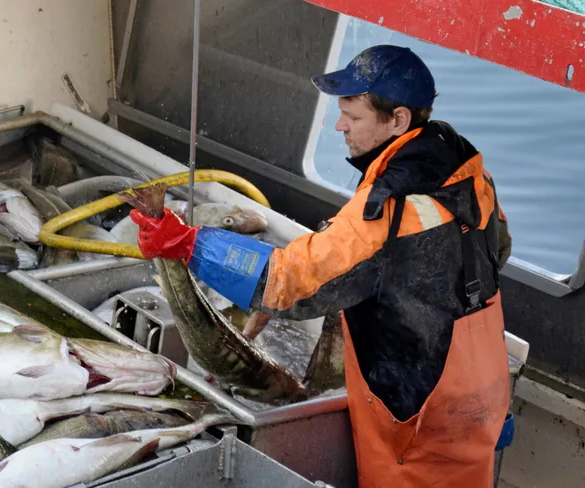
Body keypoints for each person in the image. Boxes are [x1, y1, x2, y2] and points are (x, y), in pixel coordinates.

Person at [129, 45, 514, 486]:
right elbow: (497, 251)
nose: (339, 125)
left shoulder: (387, 211)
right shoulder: (464, 164)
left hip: (421, 410)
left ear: (399, 120)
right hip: (481, 377)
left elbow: (286, 282)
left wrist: (186, 243)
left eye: (353, 115)